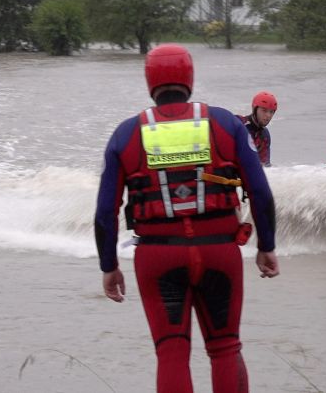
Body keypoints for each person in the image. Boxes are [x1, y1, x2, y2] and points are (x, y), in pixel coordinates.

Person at [95, 44, 279, 393]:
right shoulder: (226, 123)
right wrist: (266, 246)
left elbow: (105, 212)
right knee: (225, 348)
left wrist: (109, 265)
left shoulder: (125, 134)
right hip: (219, 252)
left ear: (149, 79)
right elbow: (260, 191)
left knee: (171, 353)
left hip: (157, 258)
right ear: (189, 76)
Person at [238, 91, 277, 167]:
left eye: (271, 112)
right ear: (254, 109)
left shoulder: (265, 135)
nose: (268, 115)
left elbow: (265, 166)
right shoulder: (239, 124)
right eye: (264, 110)